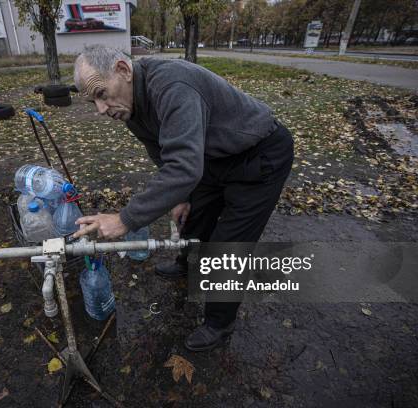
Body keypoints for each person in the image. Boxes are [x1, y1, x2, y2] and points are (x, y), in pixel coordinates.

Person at [72, 45, 294, 351]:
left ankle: (219, 324)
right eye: (92, 100)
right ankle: (188, 263)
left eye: (101, 93)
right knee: (193, 214)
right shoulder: (130, 103)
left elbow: (185, 167)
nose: (100, 108)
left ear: (123, 70)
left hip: (259, 154)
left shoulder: (172, 86)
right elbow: (162, 151)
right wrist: (183, 195)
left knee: (228, 244)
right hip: (211, 155)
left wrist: (125, 219)